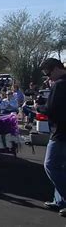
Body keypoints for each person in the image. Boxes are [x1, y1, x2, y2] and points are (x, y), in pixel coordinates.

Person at [37, 58, 66, 217]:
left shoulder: (60, 85)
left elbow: (51, 109)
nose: (48, 78)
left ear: (55, 68)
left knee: (51, 165)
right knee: (62, 167)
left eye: (48, 74)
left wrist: (38, 107)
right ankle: (59, 201)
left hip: (60, 132)